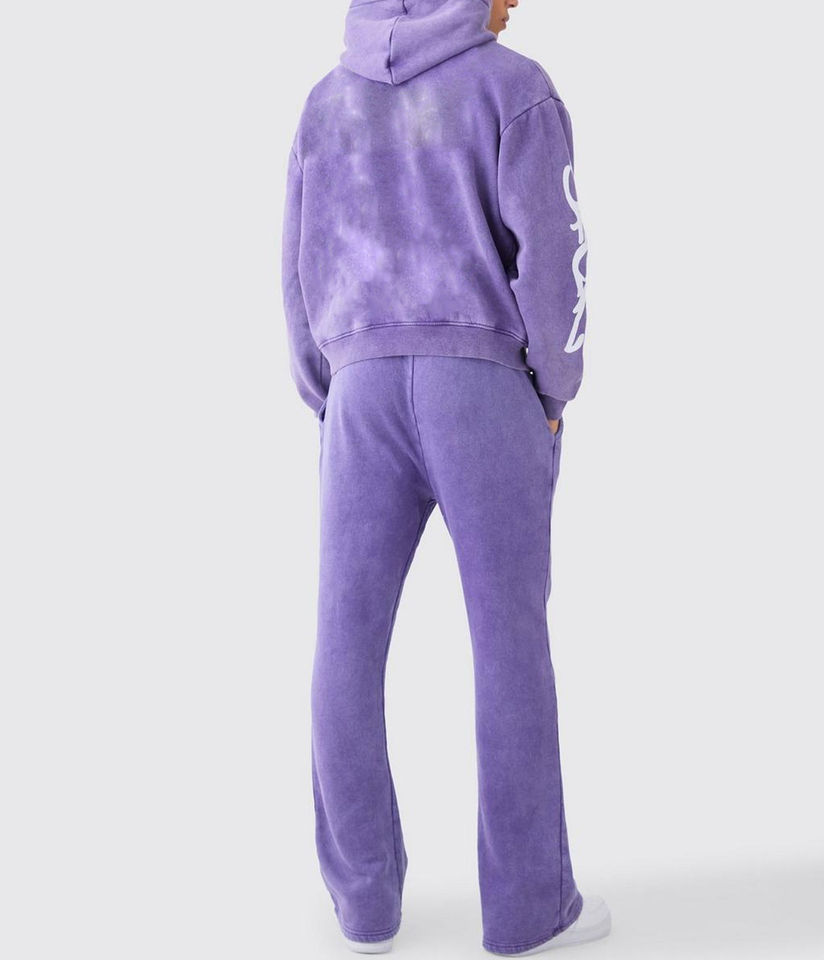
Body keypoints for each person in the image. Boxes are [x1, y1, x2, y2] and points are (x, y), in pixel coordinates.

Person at [281, 0, 608, 954]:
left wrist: (331, 393)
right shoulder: (517, 90)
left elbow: (297, 272)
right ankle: (528, 912)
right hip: (482, 386)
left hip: (359, 387)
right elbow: (554, 258)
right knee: (509, 644)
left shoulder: (326, 104)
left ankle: (364, 906)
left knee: (345, 642)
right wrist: (556, 386)